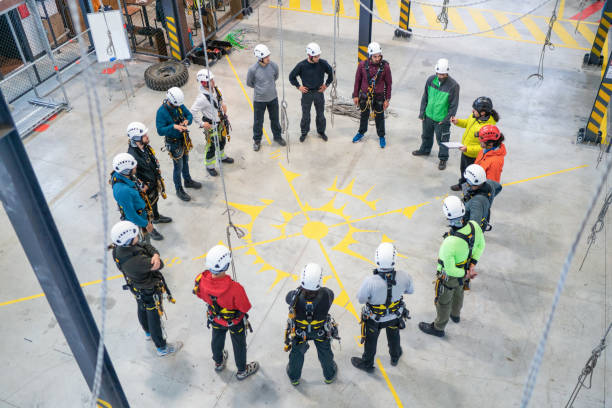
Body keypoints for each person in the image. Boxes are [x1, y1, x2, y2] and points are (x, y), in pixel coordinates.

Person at [110, 220, 182, 356]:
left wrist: (154, 254)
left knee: (142, 308)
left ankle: (147, 331)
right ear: (129, 240)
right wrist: (155, 256)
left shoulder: (118, 250)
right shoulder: (138, 261)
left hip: (137, 288)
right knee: (154, 317)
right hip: (148, 290)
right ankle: (162, 347)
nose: (138, 236)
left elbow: (146, 245)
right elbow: (160, 265)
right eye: (135, 235)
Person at [418, 196, 485, 337]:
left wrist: (465, 273)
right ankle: (456, 315)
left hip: (451, 277)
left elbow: (449, 269)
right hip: (465, 269)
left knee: (443, 301)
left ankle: (439, 327)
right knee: (459, 292)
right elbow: (480, 245)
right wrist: (472, 265)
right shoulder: (474, 226)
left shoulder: (449, 243)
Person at [193, 245, 259, 380]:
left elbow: (199, 294)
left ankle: (218, 361)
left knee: (217, 338)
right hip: (234, 322)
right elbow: (245, 307)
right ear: (227, 265)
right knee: (239, 344)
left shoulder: (200, 279)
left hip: (215, 319)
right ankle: (242, 370)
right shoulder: (235, 288)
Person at [351, 243, 413, 373]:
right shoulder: (404, 276)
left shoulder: (370, 281)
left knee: (371, 342)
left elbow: (361, 299)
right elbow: (410, 291)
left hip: (375, 320)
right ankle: (395, 356)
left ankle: (367, 364)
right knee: (394, 336)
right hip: (395, 317)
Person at [285, 263, 339, 385]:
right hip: (320, 332)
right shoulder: (327, 295)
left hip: (300, 333)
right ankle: (329, 375)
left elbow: (287, 298)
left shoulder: (293, 296)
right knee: (325, 353)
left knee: (297, 354)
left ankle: (294, 377)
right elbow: (329, 293)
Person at [155, 87, 202, 202]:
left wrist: (187, 121)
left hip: (183, 139)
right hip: (173, 142)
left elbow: (189, 115)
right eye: (176, 105)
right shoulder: (161, 112)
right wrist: (174, 126)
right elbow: (160, 130)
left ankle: (187, 181)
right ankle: (179, 189)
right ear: (170, 101)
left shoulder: (179, 105)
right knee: (178, 166)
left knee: (185, 161)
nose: (178, 107)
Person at [413, 58, 460, 170]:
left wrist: (445, 120)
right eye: (439, 73)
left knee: (443, 140)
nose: (440, 76)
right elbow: (425, 97)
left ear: (447, 72)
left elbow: (454, 106)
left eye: (443, 74)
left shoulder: (453, 86)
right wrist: (422, 113)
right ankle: (425, 150)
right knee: (426, 136)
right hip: (428, 116)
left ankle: (443, 159)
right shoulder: (430, 80)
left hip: (441, 120)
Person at [127, 121, 171, 240]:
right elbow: (132, 176)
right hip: (145, 188)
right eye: (144, 135)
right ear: (136, 138)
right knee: (146, 211)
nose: (147, 136)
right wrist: (142, 186)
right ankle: (151, 231)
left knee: (155, 201)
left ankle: (156, 218)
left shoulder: (144, 147)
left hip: (152, 182)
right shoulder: (132, 156)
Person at [190, 69, 235, 177]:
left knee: (222, 140)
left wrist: (223, 105)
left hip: (220, 122)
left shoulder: (216, 89)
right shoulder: (202, 98)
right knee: (212, 146)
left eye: (212, 79)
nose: (213, 81)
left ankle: (221, 156)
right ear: (204, 83)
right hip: (211, 124)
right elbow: (192, 111)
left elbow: (220, 99)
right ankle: (209, 166)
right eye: (210, 80)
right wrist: (201, 123)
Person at [449, 97, 499, 191]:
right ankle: (462, 184)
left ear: (483, 112)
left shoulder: (487, 128)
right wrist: (458, 122)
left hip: (474, 156)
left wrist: (468, 149)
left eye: (475, 110)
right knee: (463, 170)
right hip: (465, 151)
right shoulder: (474, 116)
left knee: (471, 174)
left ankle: (469, 191)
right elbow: (467, 123)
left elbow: (484, 147)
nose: (472, 111)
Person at [289, 42, 334, 142]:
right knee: (305, 115)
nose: (318, 58)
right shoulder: (301, 65)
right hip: (307, 93)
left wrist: (326, 85)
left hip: (319, 92)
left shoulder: (322, 63)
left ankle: (321, 131)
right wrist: (299, 86)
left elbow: (332, 73)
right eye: (316, 56)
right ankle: (304, 132)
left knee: (320, 115)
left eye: (318, 55)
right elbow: (291, 77)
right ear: (309, 55)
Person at [351, 42, 393, 149]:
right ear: (370, 55)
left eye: (379, 56)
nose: (377, 58)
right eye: (375, 56)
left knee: (379, 116)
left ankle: (381, 136)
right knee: (364, 115)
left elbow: (389, 84)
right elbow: (357, 81)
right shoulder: (362, 65)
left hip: (379, 96)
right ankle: (361, 132)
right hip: (365, 96)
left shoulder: (385, 67)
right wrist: (355, 95)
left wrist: (387, 99)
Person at [247, 44, 287, 152]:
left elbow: (276, 77)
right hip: (259, 100)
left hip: (273, 98)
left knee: (275, 119)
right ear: (260, 58)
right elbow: (250, 83)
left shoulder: (274, 66)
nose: (268, 58)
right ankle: (257, 140)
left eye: (268, 56)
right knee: (258, 121)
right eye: (265, 57)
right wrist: (261, 90)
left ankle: (277, 136)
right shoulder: (252, 70)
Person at [110, 153, 155, 241]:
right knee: (144, 242)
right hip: (138, 221)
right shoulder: (123, 191)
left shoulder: (122, 176)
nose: (136, 166)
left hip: (141, 213)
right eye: (133, 167)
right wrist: (146, 224)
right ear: (126, 171)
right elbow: (131, 215)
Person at [462, 164, 502, 232]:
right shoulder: (489, 183)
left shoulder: (476, 203)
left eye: (468, 181)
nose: (467, 184)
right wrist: (488, 201)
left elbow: (474, 228)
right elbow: (499, 187)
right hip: (484, 214)